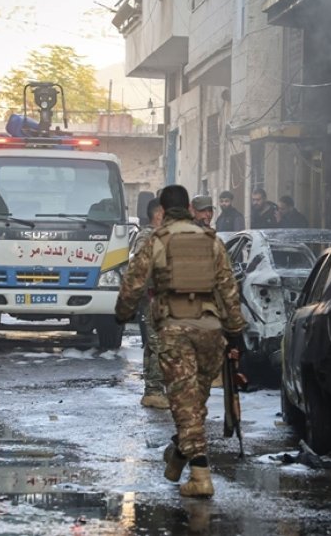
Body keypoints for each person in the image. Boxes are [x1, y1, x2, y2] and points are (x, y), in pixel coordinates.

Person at [115, 184, 246, 498]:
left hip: (175, 328)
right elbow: (229, 289)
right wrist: (235, 331)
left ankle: (200, 475)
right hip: (211, 330)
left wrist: (122, 314)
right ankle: (176, 456)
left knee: (185, 407)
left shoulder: (158, 241)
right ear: (189, 207)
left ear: (162, 207)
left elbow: (133, 282)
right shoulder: (212, 241)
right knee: (194, 404)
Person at [131, 198, 168, 409]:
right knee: (158, 345)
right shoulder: (147, 237)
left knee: (155, 344)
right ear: (159, 214)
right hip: (154, 299)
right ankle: (154, 391)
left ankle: (153, 390)